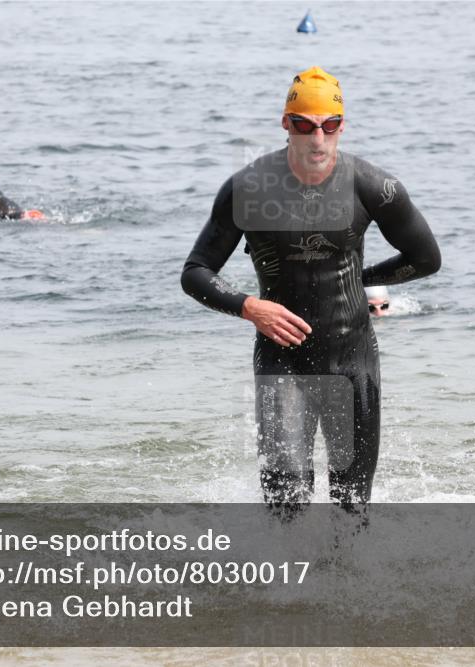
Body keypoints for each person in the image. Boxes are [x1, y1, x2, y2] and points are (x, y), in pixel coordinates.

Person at [181, 66, 441, 510]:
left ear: (342, 126)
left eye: (329, 125)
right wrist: (249, 307)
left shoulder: (373, 186)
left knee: (351, 510)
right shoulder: (248, 188)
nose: (317, 139)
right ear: (286, 123)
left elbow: (426, 259)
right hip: (281, 360)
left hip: (353, 358)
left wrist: (357, 280)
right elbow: (196, 271)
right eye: (304, 126)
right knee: (286, 506)